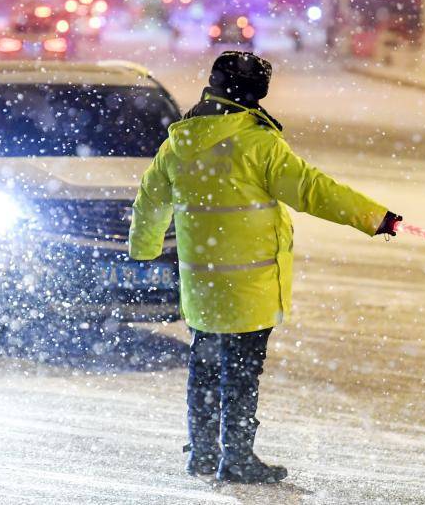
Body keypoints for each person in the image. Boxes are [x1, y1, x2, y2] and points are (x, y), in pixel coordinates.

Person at [129, 51, 401, 484]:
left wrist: (143, 251)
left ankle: (202, 452)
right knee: (241, 374)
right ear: (255, 93)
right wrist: (376, 218)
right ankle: (236, 457)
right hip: (250, 288)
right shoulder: (259, 145)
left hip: (201, 285)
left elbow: (149, 201)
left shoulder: (179, 144)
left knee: (206, 365)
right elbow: (314, 190)